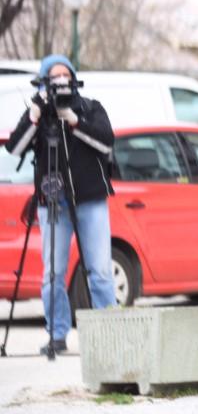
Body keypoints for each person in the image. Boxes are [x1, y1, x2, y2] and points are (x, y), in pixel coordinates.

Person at [6, 55, 116, 355]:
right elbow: (14, 147)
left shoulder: (90, 108)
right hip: (53, 202)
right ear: (43, 82)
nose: (60, 83)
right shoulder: (38, 115)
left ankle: (110, 333)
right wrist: (35, 116)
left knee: (100, 270)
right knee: (52, 272)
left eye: (64, 76)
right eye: (53, 78)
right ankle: (57, 334)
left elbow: (107, 142)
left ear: (74, 78)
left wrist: (75, 120)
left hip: (90, 200)